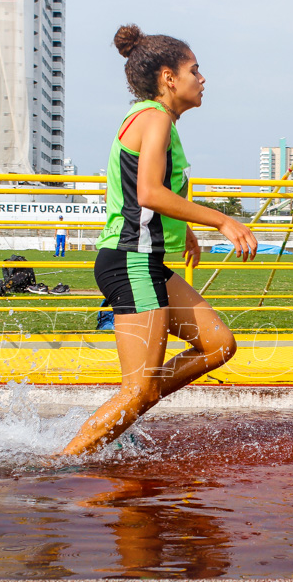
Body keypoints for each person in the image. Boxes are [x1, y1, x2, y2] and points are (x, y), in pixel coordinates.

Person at [60, 24, 258, 456]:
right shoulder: (154, 119)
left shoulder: (156, 120)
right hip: (130, 260)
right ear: (169, 77)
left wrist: (183, 229)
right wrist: (222, 221)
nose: (202, 79)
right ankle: (56, 465)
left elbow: (147, 192)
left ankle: (131, 405)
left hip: (145, 261)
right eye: (195, 70)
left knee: (217, 344)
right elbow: (149, 192)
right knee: (138, 391)